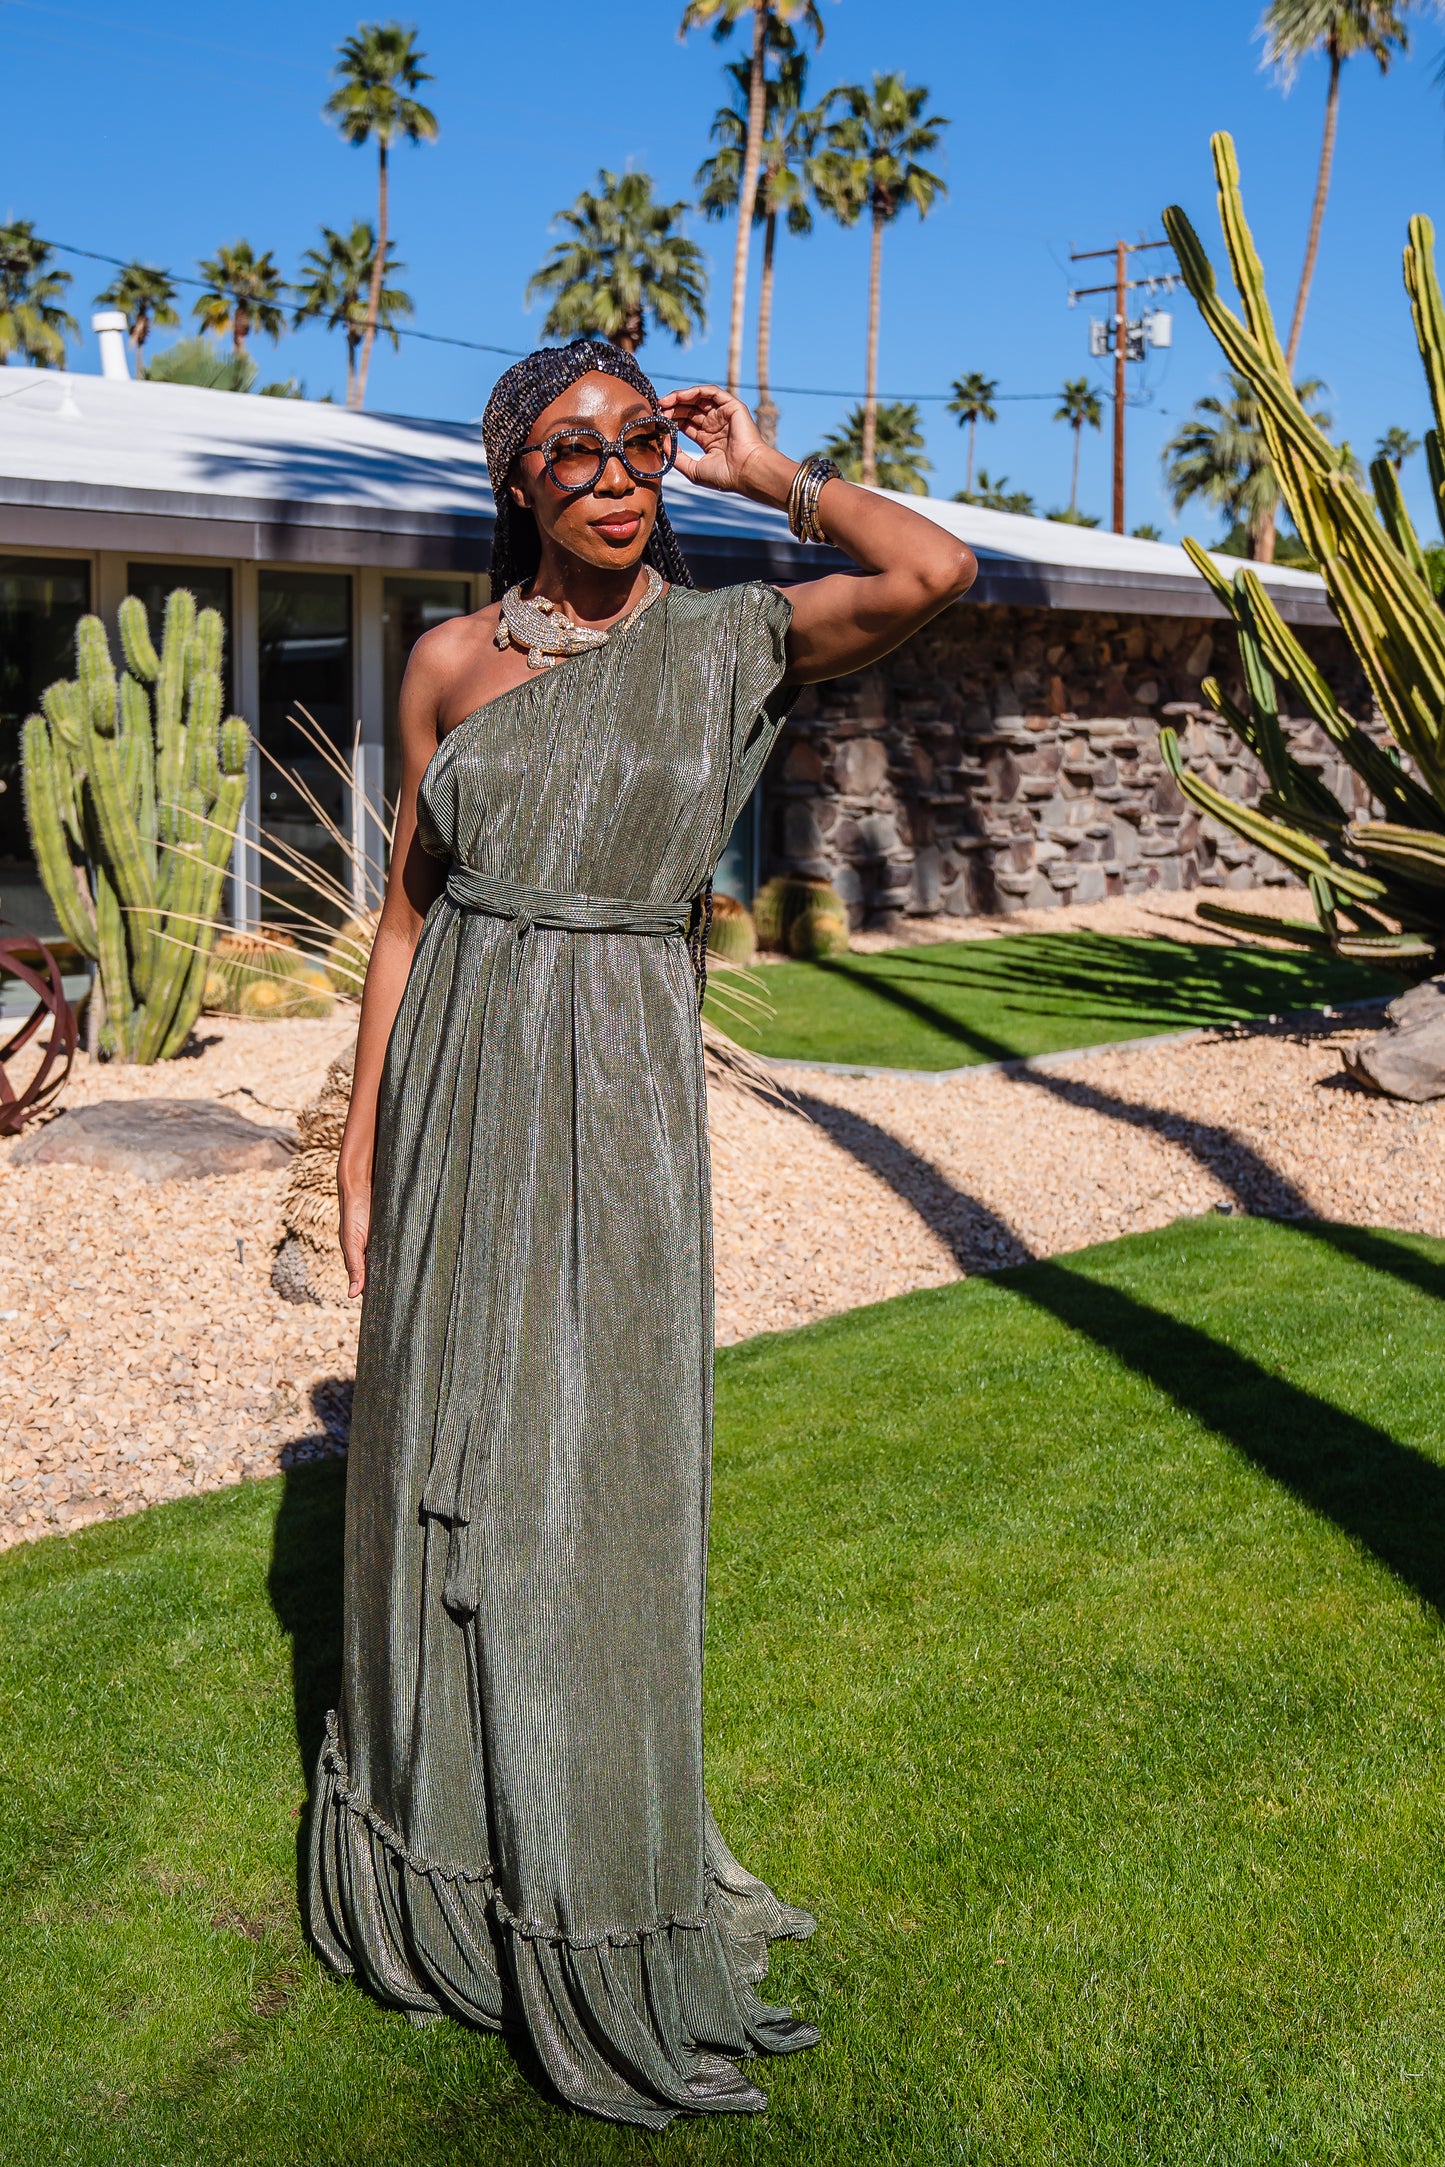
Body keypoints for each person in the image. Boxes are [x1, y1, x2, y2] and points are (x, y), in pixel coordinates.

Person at [308, 337, 976, 2128]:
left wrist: (771, 478)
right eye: (570, 452)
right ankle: (437, 1833)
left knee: (584, 1474)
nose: (612, 474)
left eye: (636, 443)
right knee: (433, 1459)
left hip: (613, 1091)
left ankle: (592, 1853)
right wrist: (360, 1139)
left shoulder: (729, 637)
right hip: (457, 1087)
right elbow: (403, 919)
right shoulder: (448, 664)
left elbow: (932, 575)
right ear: (514, 485)